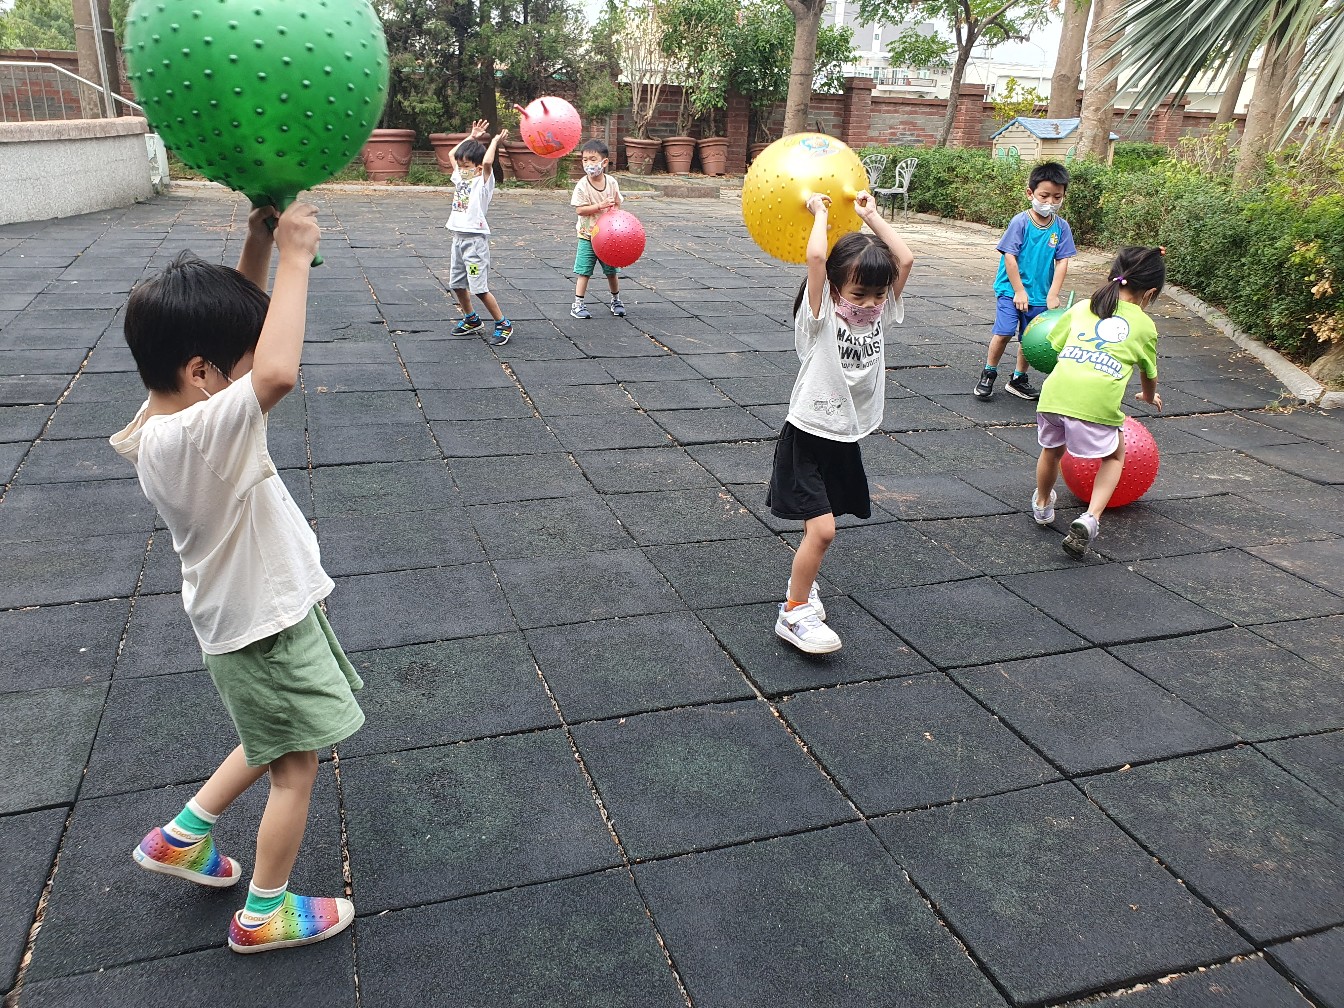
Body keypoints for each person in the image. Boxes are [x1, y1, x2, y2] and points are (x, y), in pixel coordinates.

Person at [111, 202, 364, 954]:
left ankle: (183, 836)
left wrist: (256, 244)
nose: (247, 367)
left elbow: (241, 354)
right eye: (233, 362)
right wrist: (295, 257)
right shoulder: (201, 436)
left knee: (271, 734)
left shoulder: (166, 419)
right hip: (265, 626)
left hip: (243, 620)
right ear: (201, 374)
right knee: (296, 767)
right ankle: (263, 914)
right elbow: (277, 370)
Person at [768, 191, 915, 654]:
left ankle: (803, 585)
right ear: (834, 287)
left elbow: (905, 258)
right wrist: (821, 213)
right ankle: (793, 612)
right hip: (807, 435)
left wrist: (871, 216)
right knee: (824, 530)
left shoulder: (878, 316)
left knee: (821, 526)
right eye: (859, 294)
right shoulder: (820, 318)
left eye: (878, 294)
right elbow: (816, 257)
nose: (870, 302)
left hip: (845, 436)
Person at [1033, 245, 1166, 558]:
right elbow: (1149, 373)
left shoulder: (1083, 306)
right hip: (1094, 403)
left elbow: (1055, 345)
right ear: (1149, 293)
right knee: (1115, 455)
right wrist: (1148, 396)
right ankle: (1090, 519)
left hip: (1053, 396)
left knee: (1051, 451)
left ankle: (1042, 504)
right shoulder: (1144, 325)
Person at [974, 161, 1076, 401]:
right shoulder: (1020, 222)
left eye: (1057, 197)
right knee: (1004, 331)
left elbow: (1062, 261)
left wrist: (1053, 294)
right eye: (1044, 196)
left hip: (1040, 294)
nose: (1050, 202)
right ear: (1030, 193)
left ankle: (1018, 378)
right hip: (1011, 290)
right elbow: (1009, 256)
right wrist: (1019, 291)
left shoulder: (1061, 227)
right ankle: (989, 372)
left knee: (1030, 337)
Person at [446, 119, 513, 346]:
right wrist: (471, 137)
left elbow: (487, 162)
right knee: (457, 284)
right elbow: (451, 155)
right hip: (458, 240)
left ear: (476, 168)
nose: (460, 169)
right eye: (460, 166)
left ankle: (503, 323)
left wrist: (494, 141)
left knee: (479, 288)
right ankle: (471, 319)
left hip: (474, 244)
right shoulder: (461, 179)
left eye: (465, 166)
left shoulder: (483, 183)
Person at [569, 139, 626, 319]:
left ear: (604, 162)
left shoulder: (612, 183)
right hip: (587, 236)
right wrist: (599, 206)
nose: (588, 164)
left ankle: (616, 300)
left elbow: (617, 203)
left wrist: (615, 217)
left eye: (593, 159)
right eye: (585, 160)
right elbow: (580, 210)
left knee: (612, 271)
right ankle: (578, 304)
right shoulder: (582, 185)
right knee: (584, 271)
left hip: (608, 237)